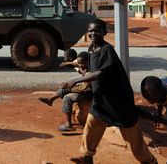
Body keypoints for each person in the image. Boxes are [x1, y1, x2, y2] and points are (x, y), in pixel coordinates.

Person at [65, 18, 156, 164]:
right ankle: (87, 156)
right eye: (91, 31)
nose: (93, 33)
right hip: (102, 99)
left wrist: (76, 80)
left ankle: (149, 161)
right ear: (87, 33)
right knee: (92, 125)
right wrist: (80, 72)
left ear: (104, 33)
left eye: (97, 31)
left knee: (132, 137)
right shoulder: (91, 49)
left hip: (118, 100)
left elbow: (101, 73)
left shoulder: (107, 49)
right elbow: (92, 71)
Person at [38, 51, 92, 132]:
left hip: (90, 93)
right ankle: (51, 99)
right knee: (65, 87)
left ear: (88, 62)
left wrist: (68, 88)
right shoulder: (86, 65)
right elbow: (76, 63)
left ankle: (68, 125)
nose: (80, 66)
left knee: (67, 97)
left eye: (83, 64)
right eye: (80, 64)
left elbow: (82, 88)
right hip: (86, 90)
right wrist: (68, 63)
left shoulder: (90, 73)